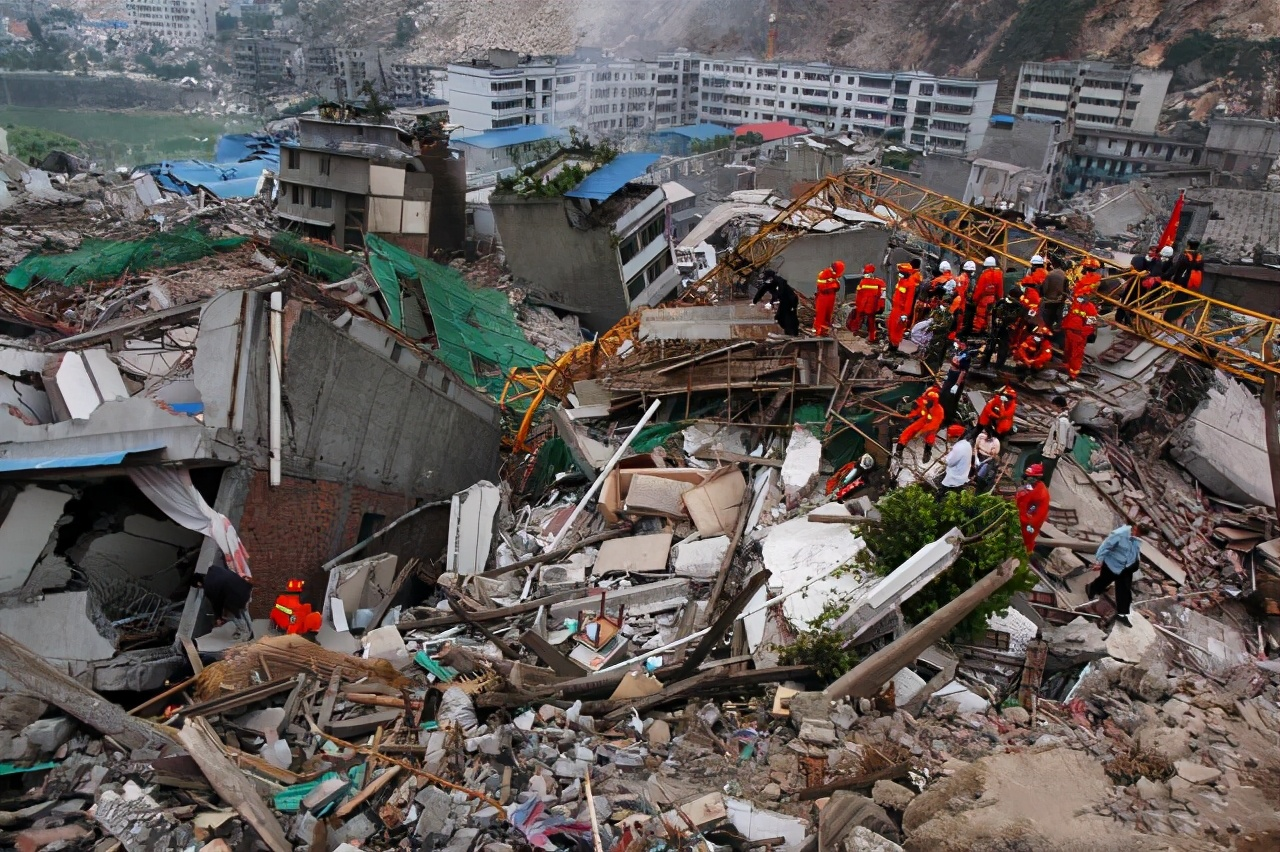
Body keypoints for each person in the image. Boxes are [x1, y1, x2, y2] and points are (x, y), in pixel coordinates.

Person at [1086, 523, 1144, 626]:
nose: (1138, 536)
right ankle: (1092, 587)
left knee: (1124, 589)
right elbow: (1105, 546)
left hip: (1126, 567)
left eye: (1140, 535)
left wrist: (1136, 561)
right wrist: (1099, 561)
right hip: (1112, 564)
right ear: (1135, 528)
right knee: (1104, 580)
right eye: (1138, 533)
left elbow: (1135, 550)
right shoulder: (1120, 534)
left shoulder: (1135, 538)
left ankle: (1122, 614)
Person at [200, 551, 254, 628]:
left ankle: (244, 632)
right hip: (245, 589)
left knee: (234, 615)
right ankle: (250, 630)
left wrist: (218, 617)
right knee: (244, 611)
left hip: (235, 596)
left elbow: (216, 603)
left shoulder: (210, 586)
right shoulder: (216, 571)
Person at [895, 385, 945, 463]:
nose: (926, 401)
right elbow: (918, 410)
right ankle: (899, 449)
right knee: (908, 430)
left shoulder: (939, 411)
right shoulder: (924, 401)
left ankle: (927, 451)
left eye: (928, 400)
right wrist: (908, 416)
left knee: (930, 435)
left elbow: (933, 425)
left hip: (932, 425)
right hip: (924, 419)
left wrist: (920, 432)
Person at [978, 290, 1021, 369]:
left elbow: (993, 312)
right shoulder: (1019, 305)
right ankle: (997, 368)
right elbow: (1018, 319)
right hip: (1007, 329)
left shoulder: (1002, 301)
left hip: (997, 326)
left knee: (991, 345)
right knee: (1002, 348)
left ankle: (984, 364)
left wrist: (993, 323)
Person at [1060, 292, 1098, 380]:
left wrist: (1082, 334)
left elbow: (1091, 324)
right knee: (1067, 350)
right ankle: (1066, 365)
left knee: (1076, 354)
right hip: (1069, 331)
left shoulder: (1090, 308)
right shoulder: (1074, 303)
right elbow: (1067, 314)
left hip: (1079, 335)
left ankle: (1073, 372)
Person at [1015, 463, 1051, 552]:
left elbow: (1033, 509)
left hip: (1030, 521)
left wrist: (1024, 517)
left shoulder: (1041, 493)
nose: (1027, 479)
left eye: (1030, 477)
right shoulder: (1030, 485)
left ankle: (1026, 552)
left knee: (1028, 537)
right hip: (1021, 516)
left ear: (1037, 478)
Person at [1040, 395, 1076, 485]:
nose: (1052, 407)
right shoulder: (1063, 418)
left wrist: (1057, 452)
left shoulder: (1062, 421)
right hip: (1052, 450)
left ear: (1058, 406)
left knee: (1047, 471)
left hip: (1053, 452)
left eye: (1053, 405)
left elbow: (1062, 439)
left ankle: (1045, 486)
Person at [753, 269, 800, 335]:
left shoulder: (780, 281)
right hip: (784, 301)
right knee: (779, 317)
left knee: (788, 317)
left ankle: (793, 333)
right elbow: (761, 291)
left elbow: (780, 292)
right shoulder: (768, 284)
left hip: (790, 300)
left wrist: (773, 300)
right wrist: (755, 301)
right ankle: (788, 332)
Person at [847, 263, 886, 340]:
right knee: (871, 322)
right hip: (872, 306)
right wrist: (881, 306)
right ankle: (871, 337)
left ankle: (855, 334)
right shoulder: (880, 282)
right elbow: (882, 296)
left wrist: (857, 304)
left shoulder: (862, 282)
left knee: (859, 320)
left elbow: (858, 295)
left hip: (864, 305)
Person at [939, 340, 970, 425]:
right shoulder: (960, 352)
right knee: (943, 397)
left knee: (949, 401)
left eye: (960, 342)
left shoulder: (966, 356)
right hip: (951, 376)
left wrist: (956, 385)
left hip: (955, 380)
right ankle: (941, 416)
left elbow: (963, 372)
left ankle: (946, 420)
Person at [887, 261, 917, 347]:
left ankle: (893, 348)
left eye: (901, 272)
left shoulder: (910, 284)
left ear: (906, 273)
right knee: (891, 326)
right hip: (895, 308)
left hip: (901, 310)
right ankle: (890, 344)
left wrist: (905, 314)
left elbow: (909, 301)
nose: (899, 274)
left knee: (897, 330)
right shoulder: (901, 280)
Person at [938, 423, 972, 499]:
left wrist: (943, 459)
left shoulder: (958, 447)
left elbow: (950, 462)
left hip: (954, 478)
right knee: (955, 495)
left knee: (941, 497)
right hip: (962, 476)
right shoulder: (967, 444)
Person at [971, 257, 1004, 334]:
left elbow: (979, 289)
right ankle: (987, 332)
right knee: (990, 316)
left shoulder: (984, 275)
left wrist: (975, 299)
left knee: (980, 316)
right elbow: (1000, 289)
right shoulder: (999, 275)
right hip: (993, 299)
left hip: (984, 299)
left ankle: (977, 333)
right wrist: (999, 299)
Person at [813, 261, 844, 336]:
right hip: (823, 296)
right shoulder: (824, 273)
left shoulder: (834, 275)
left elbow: (837, 285)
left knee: (828, 315)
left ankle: (824, 331)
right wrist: (833, 285)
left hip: (830, 296)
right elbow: (822, 286)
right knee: (821, 314)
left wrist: (833, 285)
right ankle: (819, 331)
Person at [1041, 258, 1068, 330]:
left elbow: (1045, 288)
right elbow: (1066, 290)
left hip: (1049, 300)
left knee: (1047, 318)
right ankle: (1055, 329)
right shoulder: (1064, 274)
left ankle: (1046, 330)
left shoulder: (1050, 274)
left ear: (1053, 264)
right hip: (1059, 301)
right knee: (1057, 316)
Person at [973, 426, 1001, 492]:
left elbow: (993, 456)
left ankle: (981, 490)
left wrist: (983, 462)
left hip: (988, 460)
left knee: (983, 477)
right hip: (980, 456)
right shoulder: (980, 437)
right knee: (977, 473)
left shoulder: (995, 442)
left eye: (986, 433)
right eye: (983, 432)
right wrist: (976, 458)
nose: (984, 435)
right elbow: (976, 447)